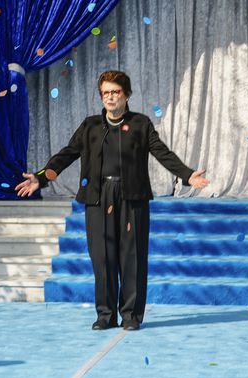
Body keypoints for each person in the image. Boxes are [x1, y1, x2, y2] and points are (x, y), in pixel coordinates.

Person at [16, 70, 209, 331]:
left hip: (132, 197)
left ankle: (130, 315)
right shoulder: (90, 126)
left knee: (132, 257)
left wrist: (187, 175)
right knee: (102, 258)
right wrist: (41, 177)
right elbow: (66, 155)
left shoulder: (141, 124)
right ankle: (105, 315)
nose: (110, 97)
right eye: (105, 92)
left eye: (115, 92)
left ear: (126, 95)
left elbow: (162, 153)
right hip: (98, 197)